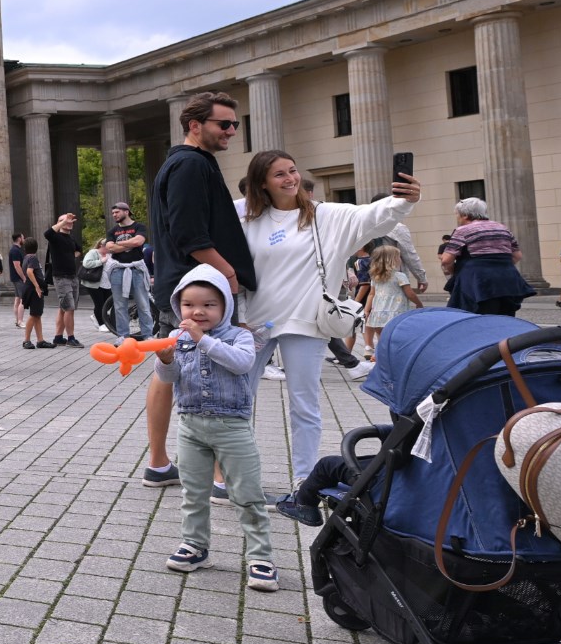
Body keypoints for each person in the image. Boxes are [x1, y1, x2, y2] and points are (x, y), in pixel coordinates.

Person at [239, 149, 418, 487]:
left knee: (304, 405)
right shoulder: (248, 219)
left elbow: (371, 215)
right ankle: (238, 476)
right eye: (279, 174)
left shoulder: (326, 215)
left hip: (305, 322)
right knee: (238, 401)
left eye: (292, 170)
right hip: (256, 323)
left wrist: (403, 201)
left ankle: (303, 480)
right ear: (261, 182)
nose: (290, 178)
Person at [142, 92, 259, 490]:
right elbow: (189, 232)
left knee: (168, 368)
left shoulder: (188, 163)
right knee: (207, 372)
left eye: (234, 125)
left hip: (183, 285)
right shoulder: (190, 164)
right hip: (196, 288)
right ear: (195, 126)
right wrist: (227, 273)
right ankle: (218, 475)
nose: (230, 131)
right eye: (223, 124)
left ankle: (159, 464)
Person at [155, 264, 277, 591]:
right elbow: (168, 379)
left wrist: (202, 340)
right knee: (193, 493)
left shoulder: (239, 336)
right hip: (190, 426)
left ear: (225, 306)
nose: (198, 312)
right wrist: (165, 359)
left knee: (247, 494)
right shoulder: (176, 338)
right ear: (178, 306)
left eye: (209, 305)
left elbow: (242, 363)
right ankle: (195, 546)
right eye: (189, 305)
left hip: (232, 428)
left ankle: (260, 556)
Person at [440, 198, 535, 316]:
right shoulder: (502, 228)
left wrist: (456, 272)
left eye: (457, 215)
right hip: (508, 280)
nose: (457, 218)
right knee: (506, 319)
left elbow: (446, 260)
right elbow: (517, 255)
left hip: (478, 282)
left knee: (479, 320)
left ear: (464, 215)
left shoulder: (462, 230)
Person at [361, 243, 420, 358]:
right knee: (396, 339)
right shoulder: (399, 276)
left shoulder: (375, 277)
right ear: (392, 260)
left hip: (378, 314)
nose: (400, 259)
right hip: (395, 313)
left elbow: (371, 294)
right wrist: (419, 304)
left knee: (382, 340)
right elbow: (410, 294)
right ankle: (394, 358)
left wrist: (367, 310)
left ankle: (378, 357)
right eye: (398, 257)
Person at [105, 202, 154, 339]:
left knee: (143, 303)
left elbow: (138, 242)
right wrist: (129, 243)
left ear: (126, 211)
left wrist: (117, 244)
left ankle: (147, 335)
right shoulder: (112, 231)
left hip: (136, 269)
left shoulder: (139, 226)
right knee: (120, 305)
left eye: (117, 212)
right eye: (113, 213)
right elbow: (110, 248)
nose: (114, 215)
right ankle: (123, 336)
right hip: (118, 270)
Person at [43, 213, 83, 347]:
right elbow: (47, 233)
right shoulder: (55, 237)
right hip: (61, 277)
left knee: (63, 308)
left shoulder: (70, 238)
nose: (69, 221)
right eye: (65, 220)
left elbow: (79, 250)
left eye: (70, 220)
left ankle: (58, 337)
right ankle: (71, 338)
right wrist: (63, 221)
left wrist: (70, 257)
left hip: (72, 276)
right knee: (69, 308)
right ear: (59, 223)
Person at [19, 236, 51, 349]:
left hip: (29, 289)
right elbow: (29, 271)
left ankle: (40, 340)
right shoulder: (33, 258)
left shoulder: (26, 258)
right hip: (33, 290)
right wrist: (37, 286)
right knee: (34, 315)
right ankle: (26, 340)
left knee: (37, 315)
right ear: (36, 247)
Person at [82, 241, 112, 332]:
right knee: (99, 304)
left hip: (107, 283)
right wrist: (101, 261)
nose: (108, 249)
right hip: (94, 283)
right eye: (106, 246)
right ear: (100, 245)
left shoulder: (110, 254)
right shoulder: (93, 252)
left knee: (109, 303)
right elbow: (86, 263)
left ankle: (96, 316)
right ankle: (101, 324)